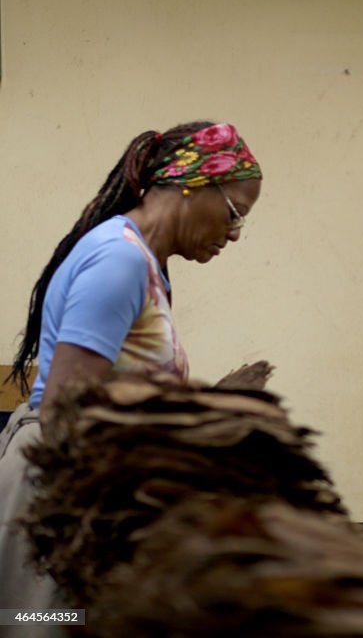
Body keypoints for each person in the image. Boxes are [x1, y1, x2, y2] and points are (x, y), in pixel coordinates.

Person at [0, 121, 262, 628]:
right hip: (54, 493)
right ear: (192, 185)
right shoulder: (119, 260)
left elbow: (117, 390)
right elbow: (65, 412)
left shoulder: (145, 262)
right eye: (235, 213)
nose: (234, 234)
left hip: (77, 486)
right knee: (39, 627)